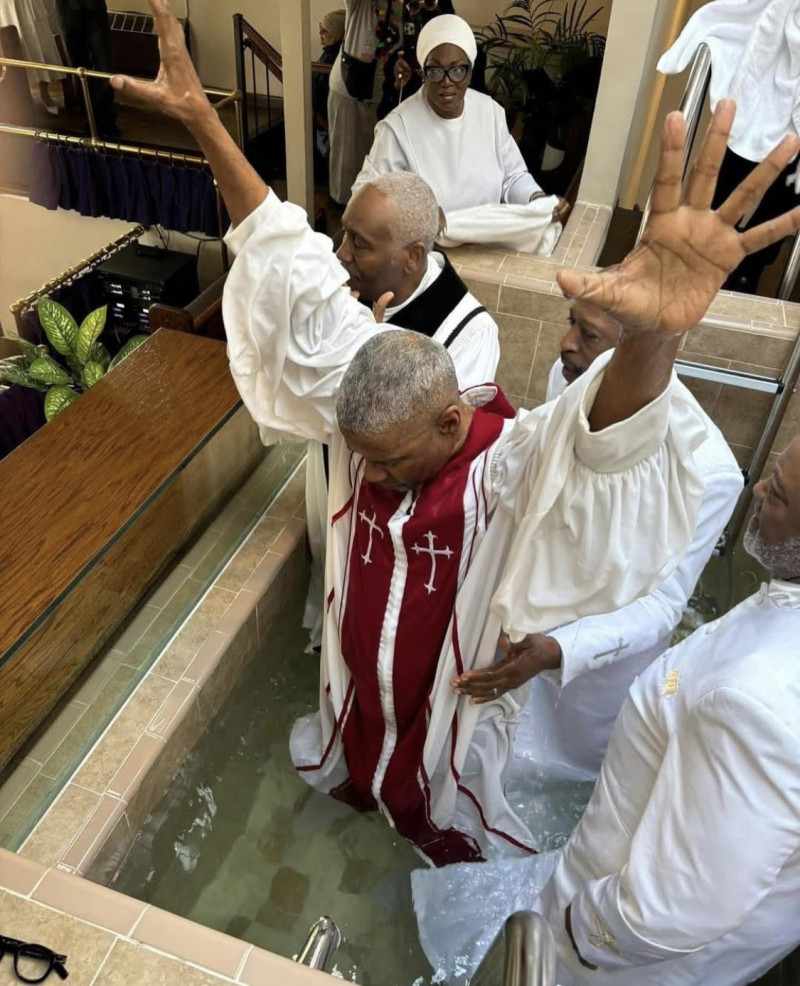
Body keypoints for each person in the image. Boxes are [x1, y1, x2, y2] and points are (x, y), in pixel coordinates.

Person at [111, 1, 800, 866]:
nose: (378, 481)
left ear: (451, 420)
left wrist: (657, 334)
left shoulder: (503, 456)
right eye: (366, 463)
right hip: (360, 673)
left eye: (394, 465)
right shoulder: (376, 368)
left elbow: (599, 448)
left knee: (438, 816)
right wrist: (205, 121)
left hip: (445, 689)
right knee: (351, 758)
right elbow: (284, 255)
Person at [418, 435, 800, 986]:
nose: (760, 488)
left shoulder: (757, 702)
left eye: (780, 494)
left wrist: (574, 929)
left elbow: (669, 912)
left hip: (611, 955)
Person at [452, 299, 744, 776]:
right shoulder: (571, 380)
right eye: (571, 324)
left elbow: (663, 604)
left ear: (636, 352)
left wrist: (563, 649)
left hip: (596, 664)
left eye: (589, 336)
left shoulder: (709, 472)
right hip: (526, 618)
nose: (566, 344)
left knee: (566, 771)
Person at [302, 169, 501, 649]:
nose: (341, 254)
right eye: (343, 233)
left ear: (413, 256)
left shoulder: (468, 331)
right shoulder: (346, 293)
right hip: (335, 489)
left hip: (393, 529)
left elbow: (444, 458)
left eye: (360, 244)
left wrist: (362, 353)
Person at [353, 13, 570, 253]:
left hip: (487, 249)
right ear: (423, 72)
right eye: (435, 70)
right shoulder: (397, 128)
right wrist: (416, 212)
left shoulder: (490, 113)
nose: (447, 81)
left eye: (458, 70)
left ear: (470, 72)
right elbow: (363, 195)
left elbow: (513, 176)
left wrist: (537, 200)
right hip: (427, 257)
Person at [658, 0, 800, 294]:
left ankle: (749, 267)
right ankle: (701, 254)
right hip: (765, 65)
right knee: (732, 168)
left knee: (788, 189)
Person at [327, 0, 382, 206]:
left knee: (379, 165)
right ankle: (343, 220)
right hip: (350, 91)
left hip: (387, 93)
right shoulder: (362, 4)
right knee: (347, 164)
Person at [54, 0, 118, 137]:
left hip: (94, 8)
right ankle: (89, 116)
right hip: (66, 10)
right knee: (78, 66)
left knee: (104, 64)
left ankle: (106, 116)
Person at [0, 0, 63, 113]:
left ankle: (45, 94)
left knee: (41, 46)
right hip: (6, 5)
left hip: (29, 4)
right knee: (15, 47)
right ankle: (25, 97)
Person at [312, 10, 344, 184]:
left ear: (336, 33)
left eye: (324, 30)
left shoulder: (332, 59)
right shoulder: (331, 54)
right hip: (324, 123)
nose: (320, 34)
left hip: (327, 125)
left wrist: (323, 124)